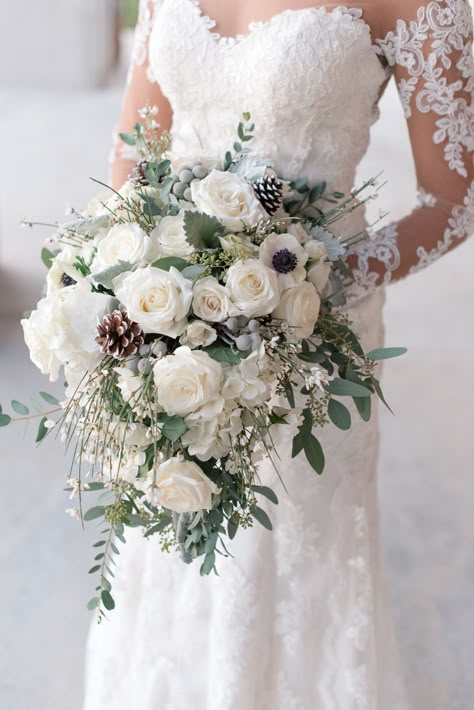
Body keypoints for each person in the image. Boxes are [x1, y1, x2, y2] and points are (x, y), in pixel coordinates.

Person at [82, 2, 474, 708]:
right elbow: (135, 147)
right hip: (168, 317)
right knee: (173, 521)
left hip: (309, 333)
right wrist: (148, 268)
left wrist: (310, 283)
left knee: (292, 544)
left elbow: (452, 197)